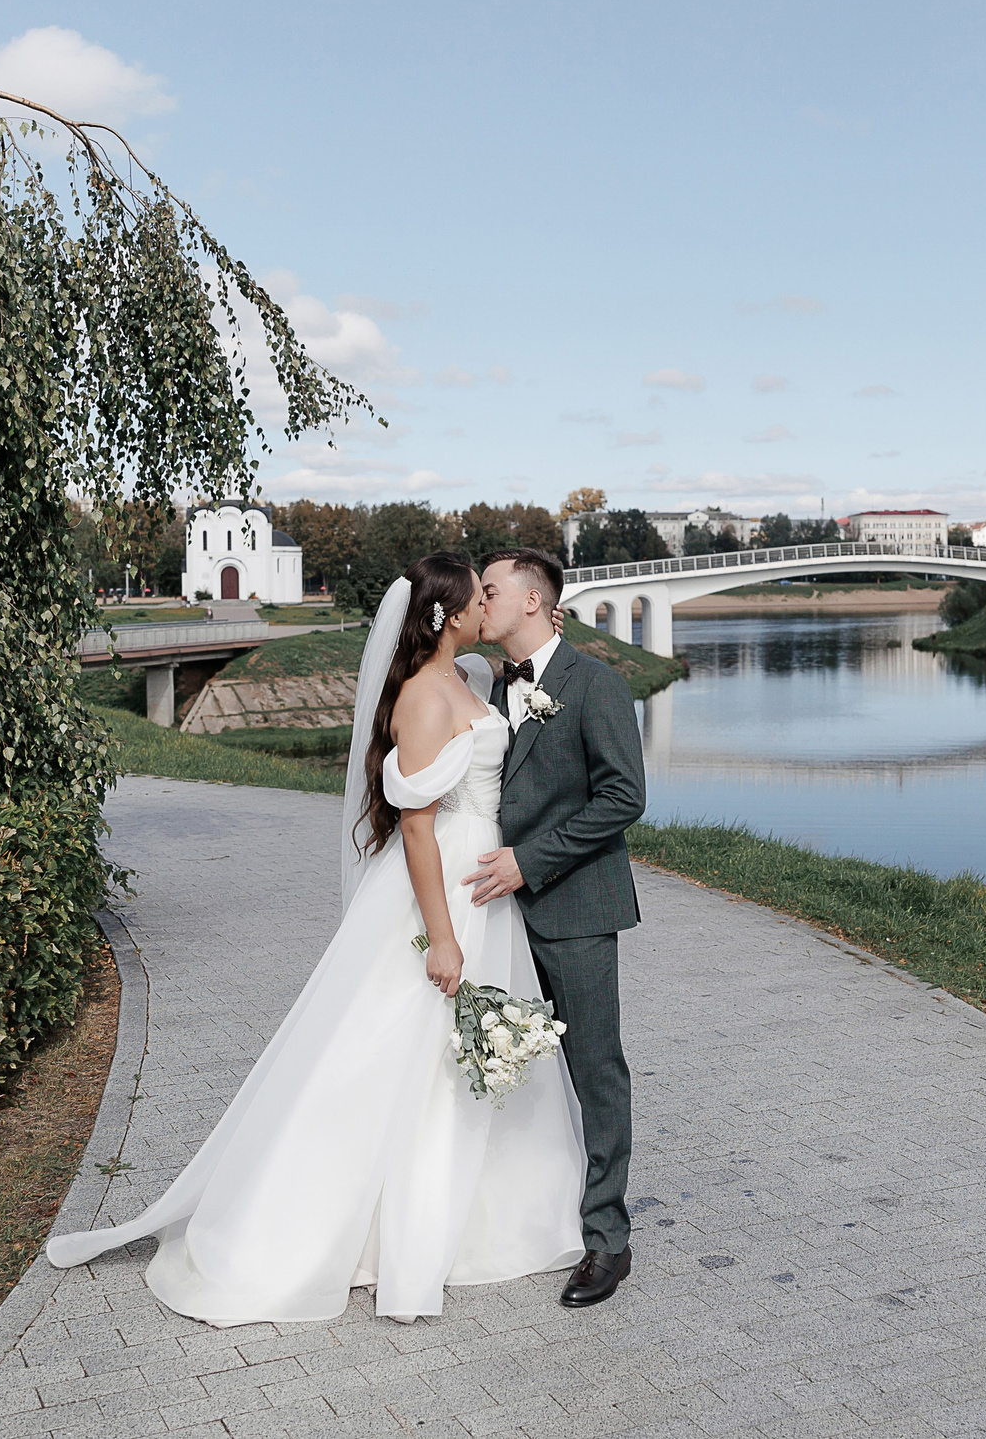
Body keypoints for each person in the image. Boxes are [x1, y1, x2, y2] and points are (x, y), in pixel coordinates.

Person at [44, 554, 586, 1323]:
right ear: (448, 615)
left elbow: (506, 697)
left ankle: (479, 1217)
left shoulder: (466, 676)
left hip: (484, 883)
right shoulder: (428, 698)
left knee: (455, 1060)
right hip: (447, 890)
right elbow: (421, 830)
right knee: (400, 1052)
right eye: (477, 596)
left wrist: (543, 638)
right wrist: (441, 937)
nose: (485, 603)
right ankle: (352, 1225)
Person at [459, 548, 649, 1308]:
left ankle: (608, 1239)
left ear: (534, 601)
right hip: (495, 915)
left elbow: (623, 796)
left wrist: (530, 861)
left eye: (491, 590)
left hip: (573, 905)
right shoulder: (484, 681)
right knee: (503, 1065)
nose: (480, 600)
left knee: (595, 1068)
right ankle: (519, 1214)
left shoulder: (595, 682)